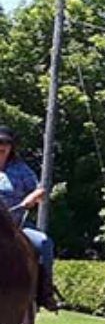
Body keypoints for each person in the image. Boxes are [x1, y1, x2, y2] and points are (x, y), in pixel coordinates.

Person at [0, 125, 56, 310]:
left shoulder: (20, 169)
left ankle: (44, 292)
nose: (2, 146)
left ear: (12, 147)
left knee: (44, 243)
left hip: (15, 225)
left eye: (6, 143)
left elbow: (40, 189)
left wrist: (31, 198)